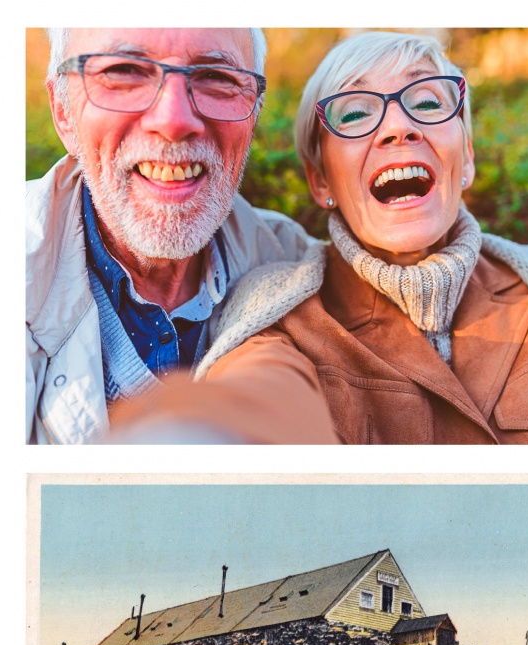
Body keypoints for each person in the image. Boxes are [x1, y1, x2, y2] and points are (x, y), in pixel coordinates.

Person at [196, 30, 528, 444]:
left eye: (427, 103)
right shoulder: (276, 318)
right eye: (354, 114)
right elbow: (255, 404)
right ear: (320, 181)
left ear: (466, 158)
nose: (399, 127)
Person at [26, 28, 336, 444]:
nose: (173, 121)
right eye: (124, 72)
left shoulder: (297, 266)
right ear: (63, 111)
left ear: (254, 113)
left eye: (217, 78)